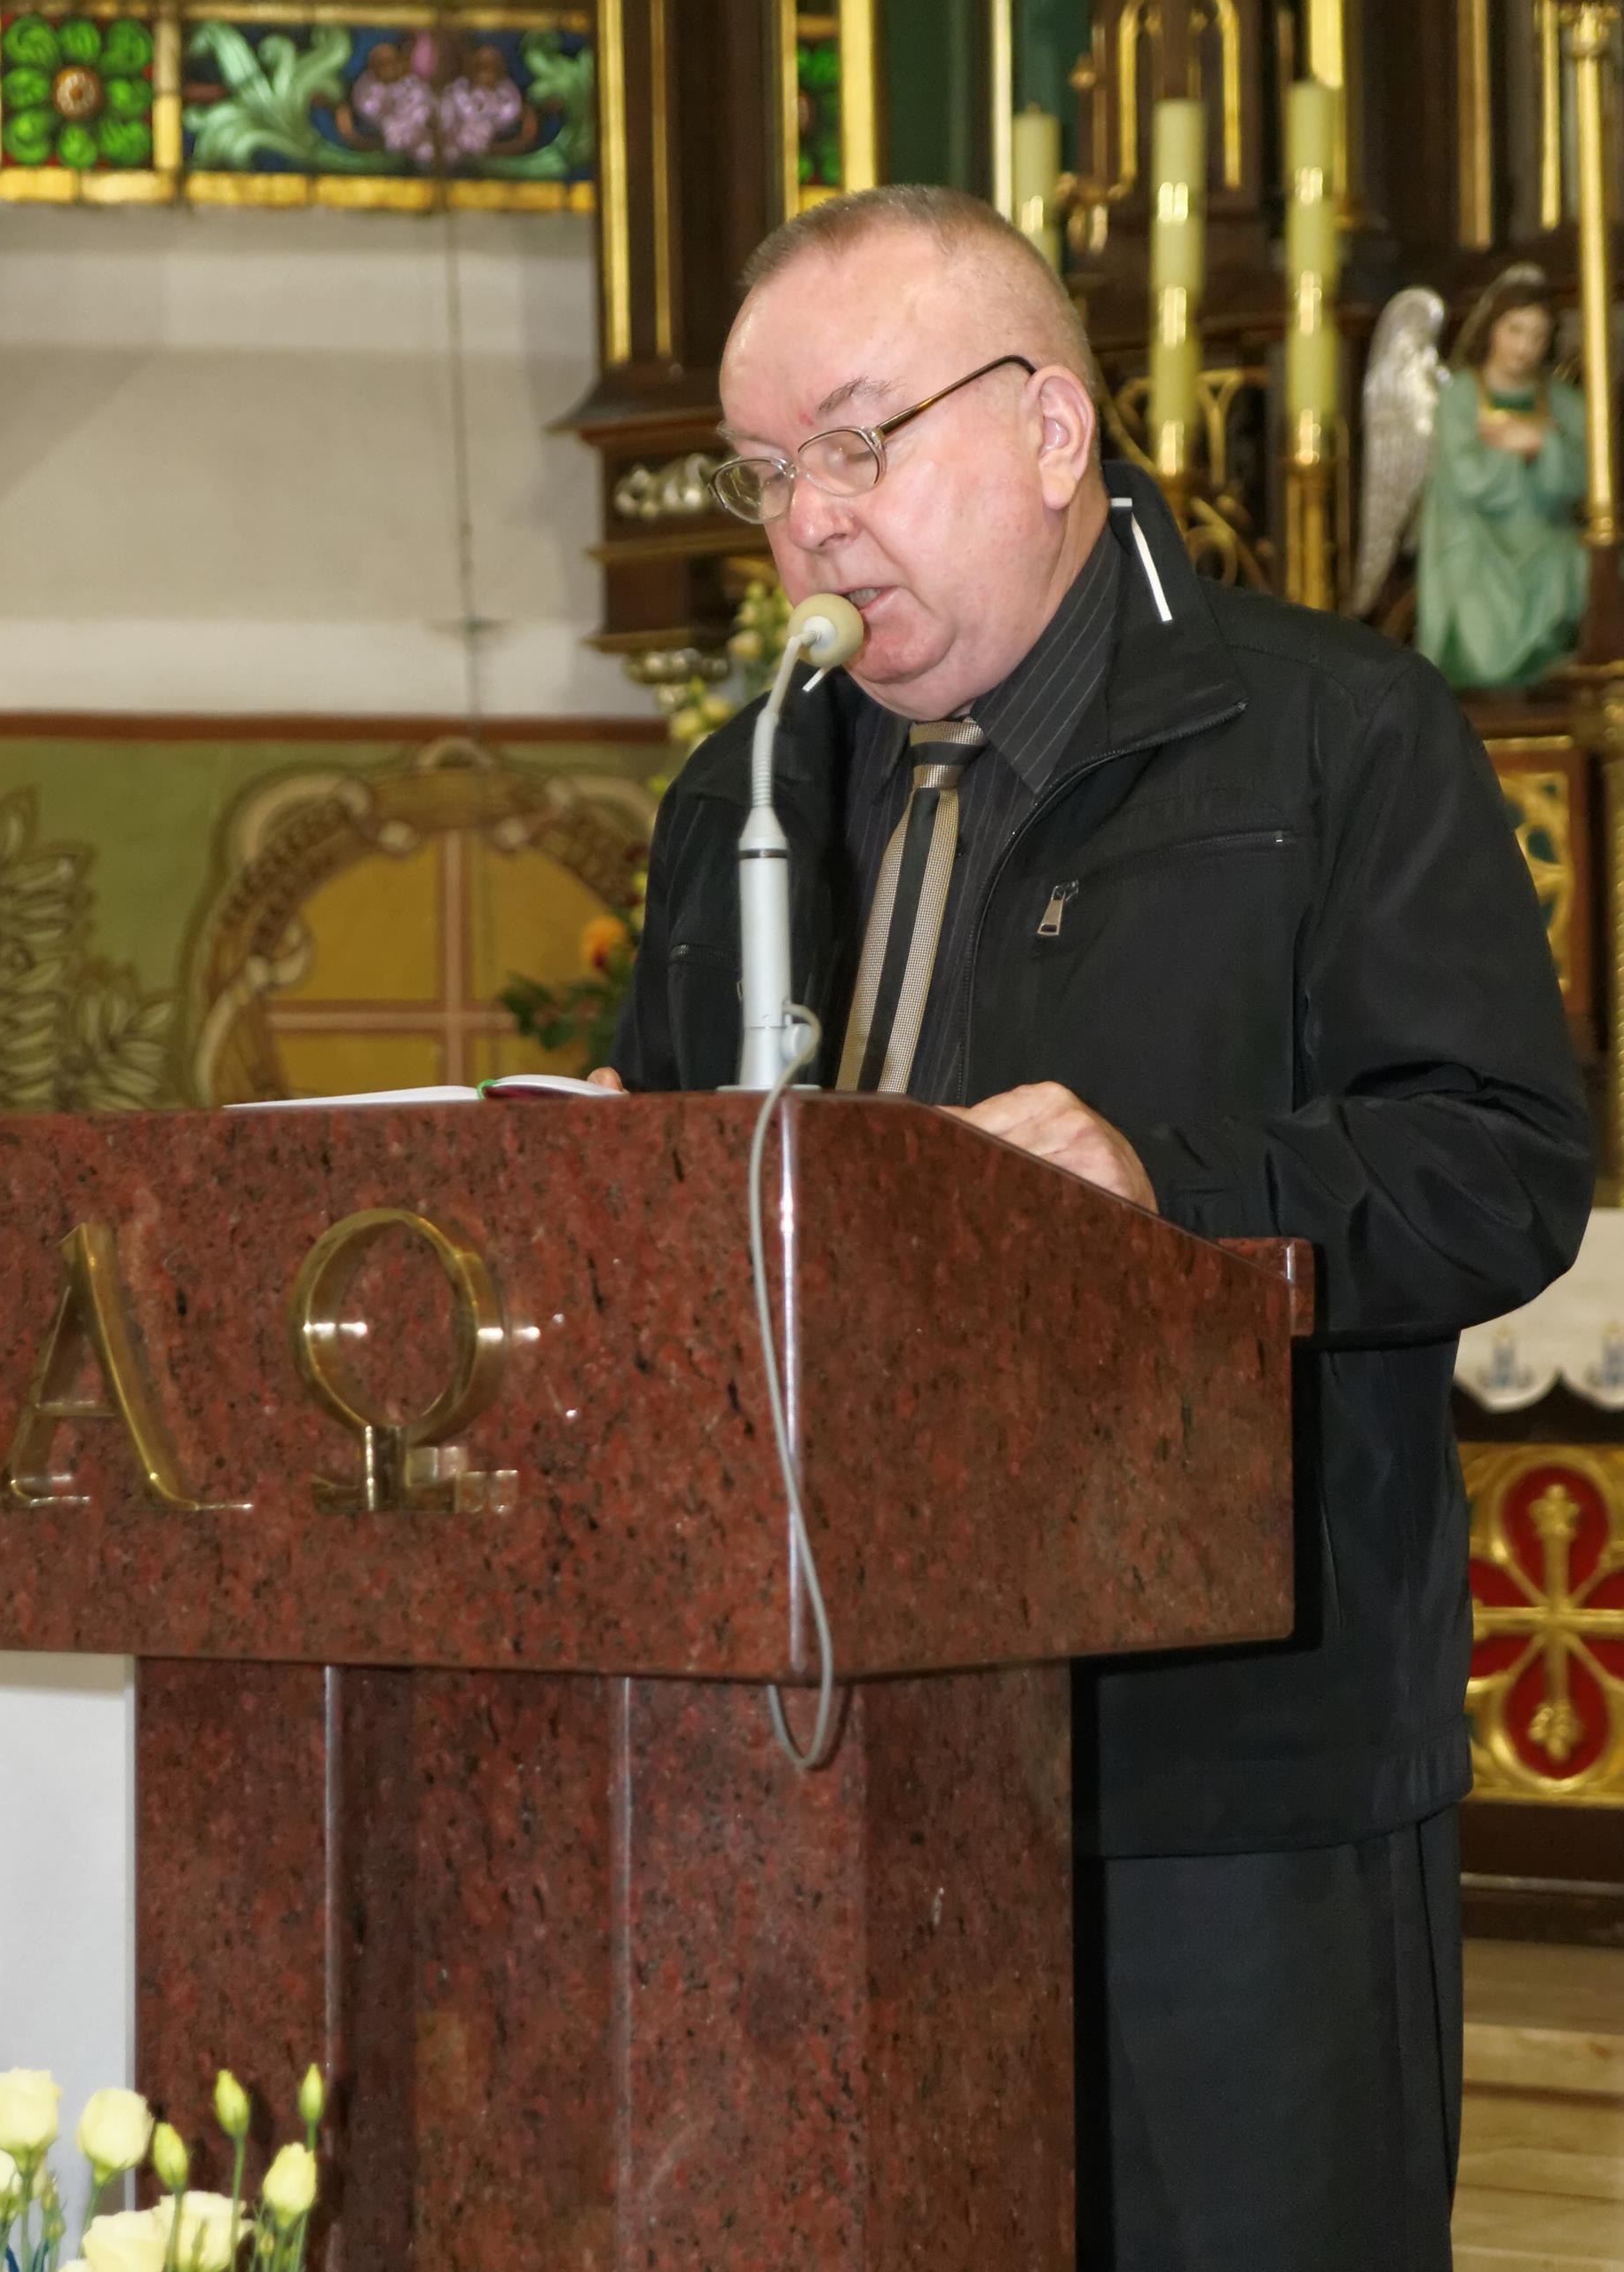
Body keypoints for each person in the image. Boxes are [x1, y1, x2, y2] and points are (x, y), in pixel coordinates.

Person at [593, 185, 1593, 2269]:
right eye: (769, 472)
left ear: (1053, 429)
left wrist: (1167, 1191)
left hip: (1234, 1777)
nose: (811, 523)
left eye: (859, 444)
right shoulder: (743, 799)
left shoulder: (1336, 735)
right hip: (815, 1759)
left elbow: (1494, 1165)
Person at [1418, 274, 1589, 689]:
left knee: (1572, 561)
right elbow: (1467, 479)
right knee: (1475, 586)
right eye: (1515, 330)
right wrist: (1526, 447)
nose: (1524, 346)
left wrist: (1541, 443)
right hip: (1474, 534)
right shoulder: (1461, 397)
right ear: (1493, 329)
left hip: (1542, 530)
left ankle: (1549, 669)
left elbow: (1581, 480)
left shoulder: (1564, 402)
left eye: (1537, 335)